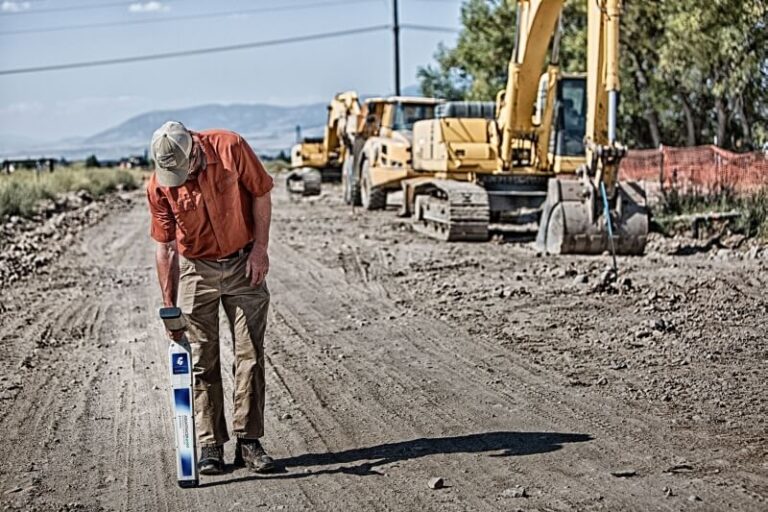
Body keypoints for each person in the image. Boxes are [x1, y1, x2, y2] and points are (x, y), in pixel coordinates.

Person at [146, 121, 275, 475]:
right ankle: (210, 445)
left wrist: (260, 249)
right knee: (203, 359)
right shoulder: (159, 185)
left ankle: (249, 442)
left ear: (195, 148)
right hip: (196, 270)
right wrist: (170, 309)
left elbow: (261, 191)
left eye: (184, 169)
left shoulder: (231, 147)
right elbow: (166, 248)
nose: (182, 178)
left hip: (243, 262)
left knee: (250, 355)